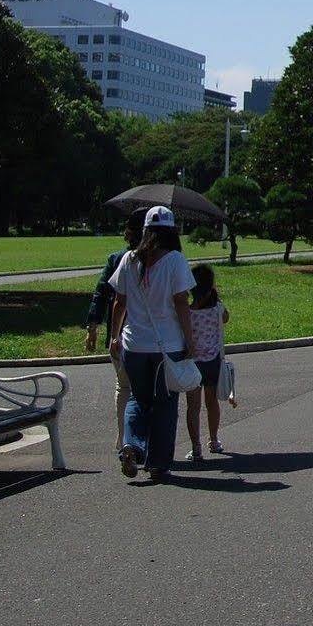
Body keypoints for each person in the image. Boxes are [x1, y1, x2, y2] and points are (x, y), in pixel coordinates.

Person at [107, 205, 195, 481]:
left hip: (134, 344)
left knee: (138, 398)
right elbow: (181, 302)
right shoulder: (175, 260)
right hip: (166, 346)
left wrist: (114, 335)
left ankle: (131, 445)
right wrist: (190, 339)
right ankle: (158, 463)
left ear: (145, 230)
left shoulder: (129, 259)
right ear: (172, 232)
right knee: (165, 403)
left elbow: (119, 302)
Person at [85, 215, 144, 449]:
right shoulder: (159, 260)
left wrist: (93, 326)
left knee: (123, 388)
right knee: (146, 391)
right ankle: (140, 440)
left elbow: (101, 294)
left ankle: (123, 438)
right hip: (147, 337)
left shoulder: (116, 259)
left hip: (119, 333)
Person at [184, 265, 229, 462]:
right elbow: (226, 317)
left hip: (192, 363)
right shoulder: (218, 309)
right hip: (213, 362)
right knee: (211, 403)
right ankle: (214, 439)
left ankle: (196, 447)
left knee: (193, 407)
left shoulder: (187, 312)